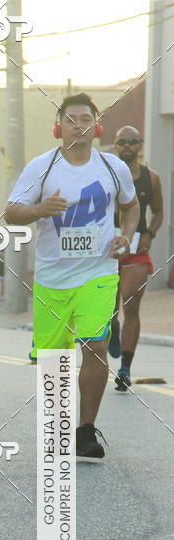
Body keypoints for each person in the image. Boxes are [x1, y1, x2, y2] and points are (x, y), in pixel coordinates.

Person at [4, 93, 139, 460]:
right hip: (52, 278)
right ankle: (59, 428)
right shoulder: (41, 168)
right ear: (58, 127)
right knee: (54, 360)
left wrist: (126, 234)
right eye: (70, 118)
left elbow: (130, 206)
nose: (78, 124)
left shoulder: (113, 167)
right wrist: (39, 210)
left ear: (97, 126)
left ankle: (85, 430)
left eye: (85, 118)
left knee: (95, 346)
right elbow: (11, 213)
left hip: (98, 272)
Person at [109, 126, 163, 390]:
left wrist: (149, 234)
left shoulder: (151, 178)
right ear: (114, 145)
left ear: (140, 145)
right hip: (106, 249)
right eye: (121, 142)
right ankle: (112, 327)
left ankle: (125, 369)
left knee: (131, 305)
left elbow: (159, 213)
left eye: (132, 141)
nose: (127, 146)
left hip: (136, 251)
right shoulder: (104, 174)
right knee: (109, 309)